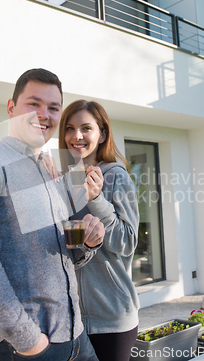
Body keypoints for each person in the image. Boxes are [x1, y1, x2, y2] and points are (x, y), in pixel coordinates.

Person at [0, 69, 105, 361]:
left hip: (76, 336)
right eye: (34, 104)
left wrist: (88, 241)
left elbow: (65, 253)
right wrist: (28, 340)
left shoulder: (51, 171)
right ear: (11, 108)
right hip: (28, 348)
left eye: (54, 108)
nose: (44, 114)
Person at [59, 100, 140, 361]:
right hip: (71, 319)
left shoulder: (116, 176)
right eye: (70, 128)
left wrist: (96, 200)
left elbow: (127, 242)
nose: (76, 136)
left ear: (102, 133)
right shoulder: (65, 180)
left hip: (111, 316)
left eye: (86, 128)